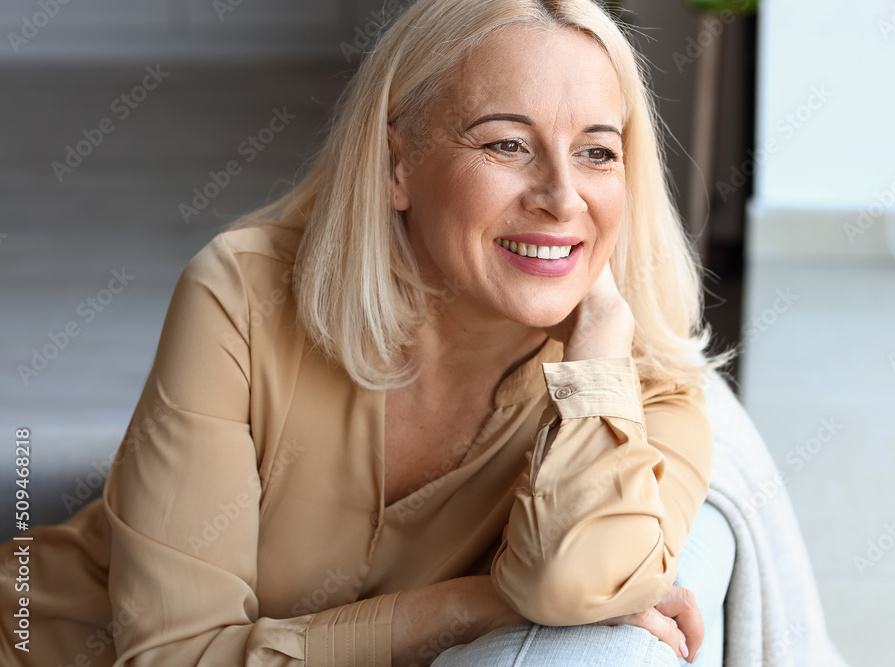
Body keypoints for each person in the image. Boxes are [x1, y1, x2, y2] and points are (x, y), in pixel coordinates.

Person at [0, 0, 734, 664]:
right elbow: (174, 657)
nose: (562, 196)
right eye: (507, 144)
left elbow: (576, 582)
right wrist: (469, 604)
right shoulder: (241, 297)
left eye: (597, 152)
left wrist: (600, 350)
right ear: (396, 164)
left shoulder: (646, 396)